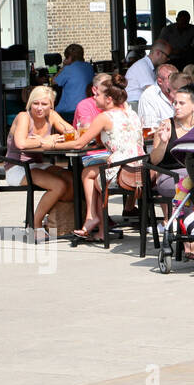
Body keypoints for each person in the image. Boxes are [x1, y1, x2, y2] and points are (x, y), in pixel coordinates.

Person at [68, 74, 143, 243]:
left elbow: (79, 144)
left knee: (91, 175)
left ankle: (92, 218)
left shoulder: (105, 117)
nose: (94, 96)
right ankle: (99, 227)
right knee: (91, 173)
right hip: (140, 169)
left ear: (108, 99)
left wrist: (51, 144)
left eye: (97, 95)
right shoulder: (131, 113)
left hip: (123, 171)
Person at [8, 86, 75, 239]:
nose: (39, 108)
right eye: (35, 103)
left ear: (51, 105)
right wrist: (46, 140)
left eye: (44, 104)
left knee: (73, 180)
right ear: (30, 103)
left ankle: (54, 220)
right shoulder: (23, 117)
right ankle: (35, 224)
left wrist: (60, 138)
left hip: (37, 164)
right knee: (59, 185)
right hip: (18, 167)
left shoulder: (52, 115)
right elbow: (21, 144)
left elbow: (72, 133)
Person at [148, 83, 194, 208]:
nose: (177, 107)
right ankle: (188, 222)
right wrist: (163, 142)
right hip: (170, 175)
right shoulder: (166, 125)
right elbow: (154, 161)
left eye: (182, 103)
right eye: (175, 103)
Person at [51, 43, 93, 126]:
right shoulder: (89, 67)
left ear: (69, 57)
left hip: (68, 110)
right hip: (86, 107)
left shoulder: (68, 69)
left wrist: (64, 66)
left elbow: (54, 81)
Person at [126, 39, 170, 105]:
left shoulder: (151, 67)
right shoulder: (142, 66)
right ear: (158, 53)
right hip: (134, 104)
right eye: (167, 56)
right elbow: (152, 92)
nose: (168, 59)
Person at [137, 63, 180, 127]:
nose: (175, 82)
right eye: (171, 78)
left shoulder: (183, 93)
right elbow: (150, 127)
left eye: (177, 78)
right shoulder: (149, 96)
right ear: (160, 81)